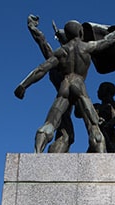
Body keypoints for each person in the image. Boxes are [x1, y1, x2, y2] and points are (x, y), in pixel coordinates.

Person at [15, 14, 115, 153]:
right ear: (81, 32)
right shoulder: (87, 47)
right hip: (79, 85)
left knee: (50, 123)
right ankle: (102, 159)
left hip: (65, 85)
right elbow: (108, 40)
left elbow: (41, 69)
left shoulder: (61, 52)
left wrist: (23, 85)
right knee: (93, 126)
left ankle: (36, 154)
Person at [25, 14, 75, 153]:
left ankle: (52, 161)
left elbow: (42, 41)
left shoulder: (61, 58)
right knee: (56, 129)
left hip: (67, 103)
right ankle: (38, 154)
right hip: (63, 99)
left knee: (67, 135)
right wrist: (32, 27)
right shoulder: (61, 60)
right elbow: (42, 41)